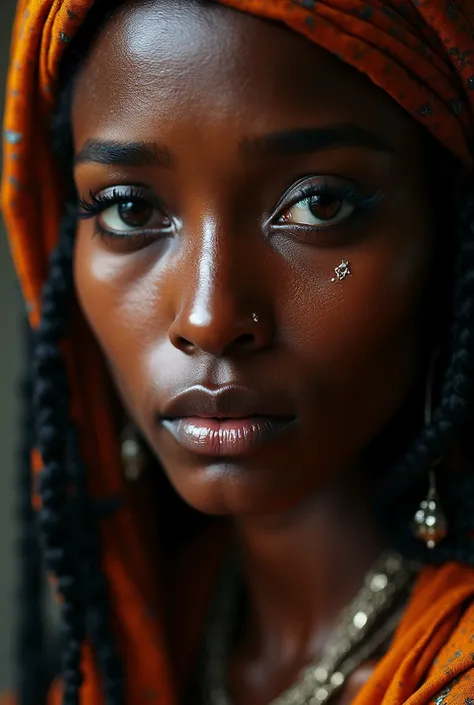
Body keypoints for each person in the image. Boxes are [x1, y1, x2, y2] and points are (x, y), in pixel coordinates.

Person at [3, 0, 474, 703]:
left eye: (318, 205)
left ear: (447, 230)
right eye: (131, 209)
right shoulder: (143, 642)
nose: (208, 317)